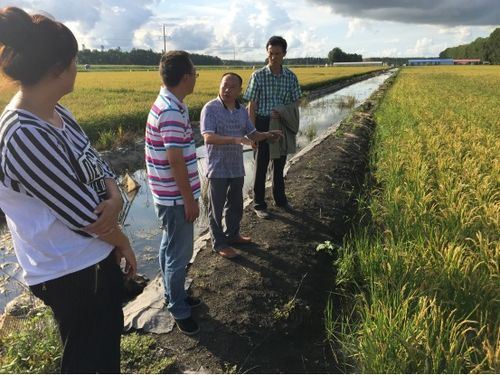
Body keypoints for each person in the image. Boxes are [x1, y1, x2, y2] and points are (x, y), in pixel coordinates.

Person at [0, 6, 137, 373]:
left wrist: (115, 192)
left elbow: (95, 159)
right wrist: (123, 243)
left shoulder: (58, 112)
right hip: (70, 271)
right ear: (58, 68)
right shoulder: (23, 134)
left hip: (89, 259)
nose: (78, 65)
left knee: (102, 351)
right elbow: (83, 215)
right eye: (75, 58)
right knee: (89, 362)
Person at [145, 50, 201, 335]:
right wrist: (189, 199)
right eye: (195, 73)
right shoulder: (169, 111)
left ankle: (172, 294)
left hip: (166, 195)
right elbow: (175, 160)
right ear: (186, 77)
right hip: (175, 198)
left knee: (169, 246)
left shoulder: (173, 104)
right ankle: (178, 307)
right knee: (179, 254)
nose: (197, 78)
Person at [200, 73, 282, 259]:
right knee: (216, 208)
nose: (227, 89)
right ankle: (219, 243)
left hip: (236, 167)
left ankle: (233, 235)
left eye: (232, 87)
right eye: (224, 85)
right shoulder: (210, 108)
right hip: (218, 167)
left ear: (239, 91)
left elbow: (252, 134)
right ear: (219, 86)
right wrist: (236, 139)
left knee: (235, 205)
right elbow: (208, 137)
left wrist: (268, 134)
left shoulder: (241, 111)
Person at [244, 35, 302, 219]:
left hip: (282, 124)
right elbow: (252, 105)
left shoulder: (290, 77)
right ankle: (259, 204)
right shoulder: (258, 75)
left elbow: (296, 100)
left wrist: (283, 111)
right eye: (270, 53)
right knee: (261, 165)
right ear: (267, 53)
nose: (273, 57)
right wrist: (252, 133)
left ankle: (281, 199)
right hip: (262, 123)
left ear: (284, 54)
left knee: (279, 164)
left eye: (277, 53)